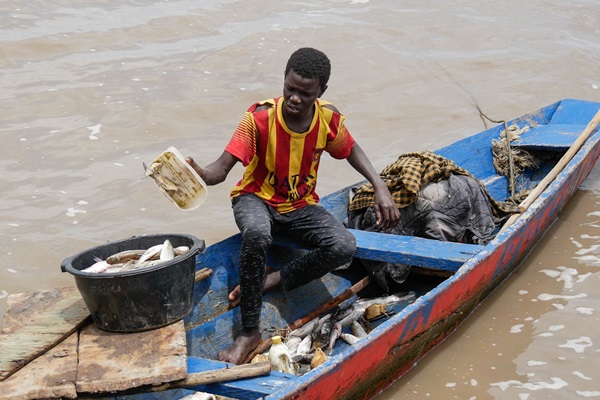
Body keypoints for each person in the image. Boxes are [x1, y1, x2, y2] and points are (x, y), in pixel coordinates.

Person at [186, 47, 399, 364]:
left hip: (300, 205)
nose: (295, 98)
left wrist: (379, 185)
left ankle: (272, 280)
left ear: (321, 92)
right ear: (284, 81)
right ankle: (248, 333)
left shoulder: (327, 120)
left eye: (304, 93)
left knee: (343, 245)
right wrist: (199, 174)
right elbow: (220, 169)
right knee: (257, 234)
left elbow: (351, 149)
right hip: (255, 198)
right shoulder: (259, 118)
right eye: (290, 89)